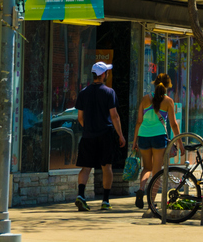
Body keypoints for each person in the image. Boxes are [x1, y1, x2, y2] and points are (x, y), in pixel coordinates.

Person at [74, 61, 126, 211]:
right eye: (107, 72)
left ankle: (81, 195)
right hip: (105, 134)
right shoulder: (109, 92)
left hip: (88, 135)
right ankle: (105, 200)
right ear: (103, 74)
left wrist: (89, 128)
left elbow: (80, 117)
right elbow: (114, 116)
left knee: (86, 167)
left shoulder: (83, 92)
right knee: (106, 167)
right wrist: (120, 135)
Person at [132, 74, 177, 210]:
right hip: (159, 137)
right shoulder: (168, 101)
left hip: (144, 136)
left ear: (155, 83)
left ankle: (141, 188)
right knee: (157, 172)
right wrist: (179, 142)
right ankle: (151, 203)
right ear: (168, 86)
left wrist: (135, 141)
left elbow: (139, 121)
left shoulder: (146, 99)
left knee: (146, 168)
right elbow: (173, 124)